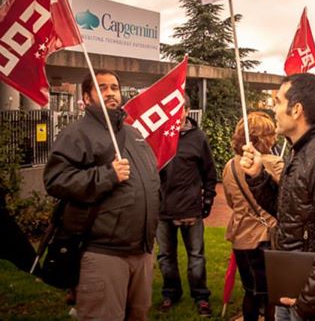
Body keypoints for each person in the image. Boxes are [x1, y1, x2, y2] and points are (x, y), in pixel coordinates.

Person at [239, 73, 315, 321]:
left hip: (313, 302)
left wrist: (307, 302)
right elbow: (291, 213)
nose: (273, 109)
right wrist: (258, 177)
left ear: (296, 110)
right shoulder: (304, 151)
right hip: (296, 287)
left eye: (277, 101)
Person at [44, 70, 160, 321]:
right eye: (102, 88)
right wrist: (107, 175)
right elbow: (56, 180)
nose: (110, 92)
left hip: (141, 251)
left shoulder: (134, 134)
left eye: (114, 87)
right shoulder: (77, 133)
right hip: (103, 252)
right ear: (86, 97)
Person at [156, 97, 216, 316]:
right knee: (165, 256)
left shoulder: (198, 138)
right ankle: (171, 292)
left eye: (178, 109)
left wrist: (208, 199)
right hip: (163, 209)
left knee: (196, 256)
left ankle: (200, 296)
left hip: (191, 208)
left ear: (187, 110)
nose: (175, 113)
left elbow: (210, 173)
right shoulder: (159, 137)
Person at [224, 112, 283, 321]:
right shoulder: (274, 163)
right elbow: (284, 201)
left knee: (250, 292)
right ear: (264, 138)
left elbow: (231, 201)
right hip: (266, 236)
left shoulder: (230, 165)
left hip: (240, 236)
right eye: (271, 134)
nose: (275, 138)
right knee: (271, 296)